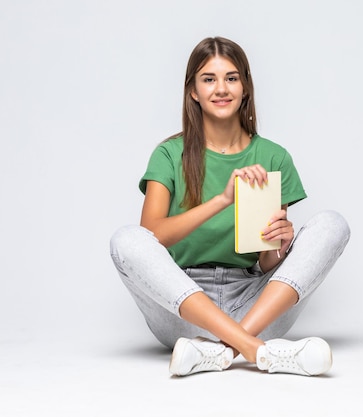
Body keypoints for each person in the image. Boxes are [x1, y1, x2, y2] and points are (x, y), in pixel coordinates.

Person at [109, 36, 350, 377]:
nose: (221, 89)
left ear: (245, 87)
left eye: (231, 78)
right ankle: (255, 351)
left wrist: (278, 246)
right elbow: (150, 235)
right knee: (126, 238)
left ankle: (220, 352)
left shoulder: (272, 156)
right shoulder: (169, 154)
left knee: (332, 224)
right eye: (209, 79)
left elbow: (266, 263)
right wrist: (223, 199)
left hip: (254, 306)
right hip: (183, 310)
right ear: (193, 90)